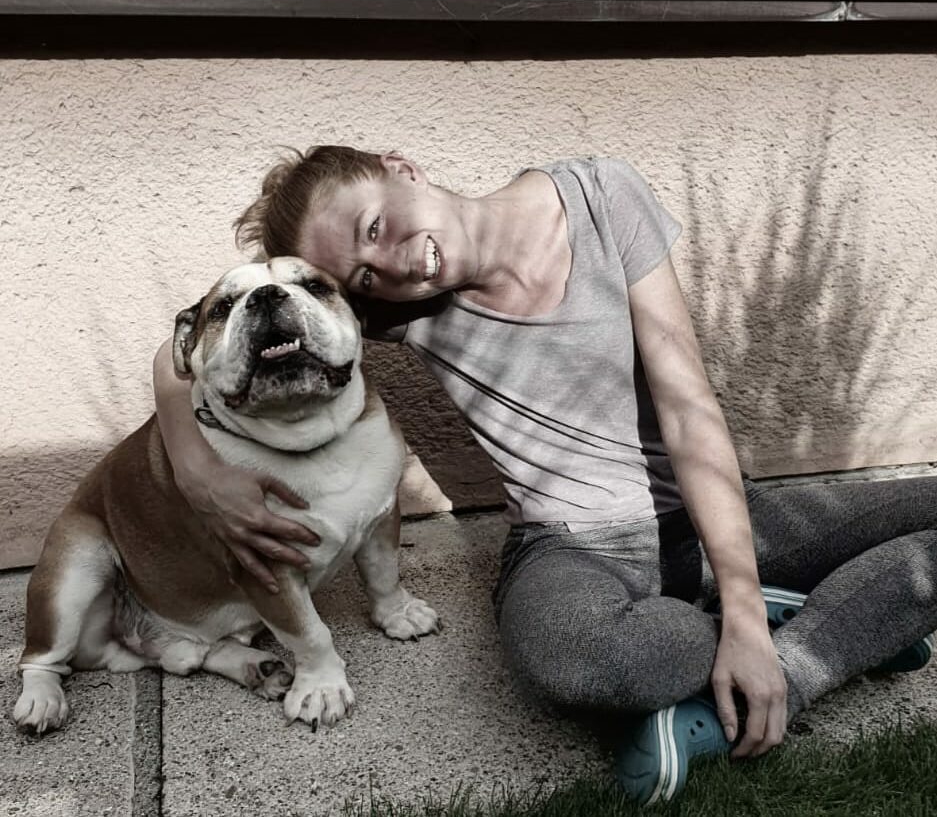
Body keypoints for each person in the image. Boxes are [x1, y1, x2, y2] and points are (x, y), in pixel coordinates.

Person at [153, 146, 937, 804]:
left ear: (401, 168)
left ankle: (788, 649)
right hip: (566, 549)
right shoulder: (399, 300)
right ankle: (840, 621)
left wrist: (739, 610)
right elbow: (181, 348)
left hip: (706, 518)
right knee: (579, 661)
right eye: (360, 277)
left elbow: (688, 406)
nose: (390, 266)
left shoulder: (602, 197)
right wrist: (196, 471)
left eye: (376, 228)